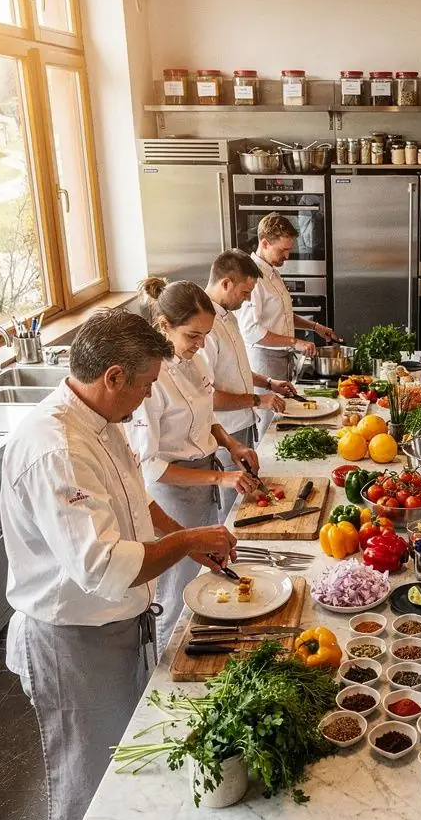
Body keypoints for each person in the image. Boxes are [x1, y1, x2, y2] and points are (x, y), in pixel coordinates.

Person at [1, 309, 237, 820]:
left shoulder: (100, 424)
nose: (148, 399)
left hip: (118, 627)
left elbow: (135, 509)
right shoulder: (55, 449)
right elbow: (105, 567)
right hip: (73, 640)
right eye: (144, 387)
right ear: (113, 376)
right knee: (77, 786)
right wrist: (194, 530)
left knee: (120, 760)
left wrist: (184, 540)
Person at [128, 277, 259, 650]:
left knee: (207, 579)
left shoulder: (196, 359)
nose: (201, 344)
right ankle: (169, 670)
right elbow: (149, 465)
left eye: (205, 335)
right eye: (192, 336)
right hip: (172, 496)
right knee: (176, 591)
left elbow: (206, 414)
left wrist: (231, 444)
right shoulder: (150, 382)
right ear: (164, 326)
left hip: (204, 482)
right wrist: (219, 477)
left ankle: (203, 651)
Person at [202, 250, 297, 512]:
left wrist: (268, 382)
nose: (246, 301)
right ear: (225, 283)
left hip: (242, 427)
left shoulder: (228, 316)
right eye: (244, 293)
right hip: (224, 433)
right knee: (234, 510)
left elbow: (238, 370)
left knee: (249, 500)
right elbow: (208, 396)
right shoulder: (205, 329)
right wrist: (258, 399)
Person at [237, 211, 338, 378]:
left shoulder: (272, 272)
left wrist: (315, 327)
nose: (287, 255)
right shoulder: (252, 278)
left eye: (290, 249)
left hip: (283, 358)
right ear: (265, 243)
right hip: (264, 362)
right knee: (269, 405)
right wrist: (295, 342)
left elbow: (282, 316)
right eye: (283, 250)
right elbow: (250, 331)